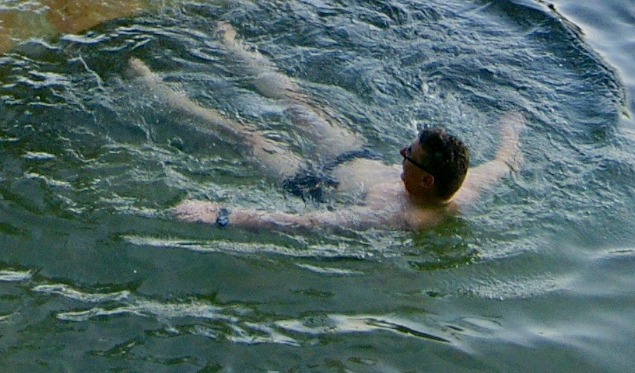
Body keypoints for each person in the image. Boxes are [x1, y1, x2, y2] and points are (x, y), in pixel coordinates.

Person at [133, 22, 522, 231]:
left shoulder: (399, 217)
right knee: (300, 104)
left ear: (427, 182)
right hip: (354, 157)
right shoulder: (467, 181)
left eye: (410, 157)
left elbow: (305, 222)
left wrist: (223, 214)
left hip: (314, 186)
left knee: (246, 136)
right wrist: (512, 126)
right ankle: (231, 47)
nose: (402, 156)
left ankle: (154, 88)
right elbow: (505, 162)